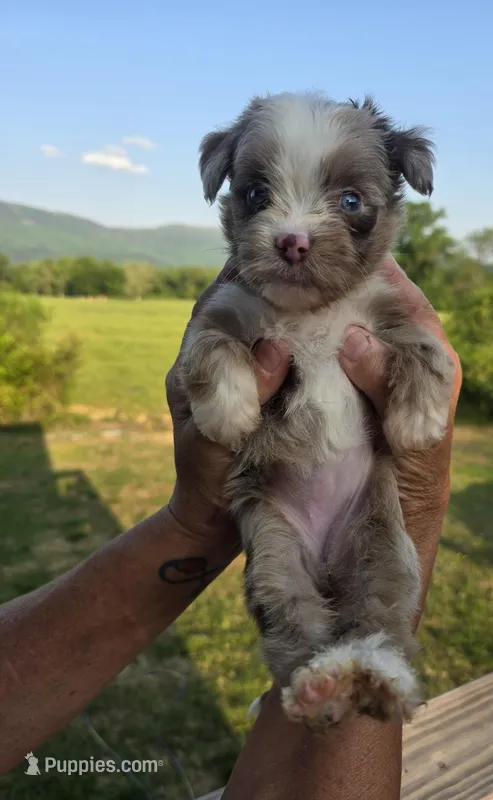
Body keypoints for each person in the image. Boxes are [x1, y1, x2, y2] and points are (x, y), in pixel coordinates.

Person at [0, 255, 461, 799]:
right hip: (276, 498)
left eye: (350, 204)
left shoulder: (376, 295)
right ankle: (320, 673)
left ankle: (370, 665)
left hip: (366, 499)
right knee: (282, 586)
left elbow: (419, 356)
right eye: (260, 194)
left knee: (379, 579)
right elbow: (211, 348)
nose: (298, 234)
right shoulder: (242, 302)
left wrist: (418, 384)